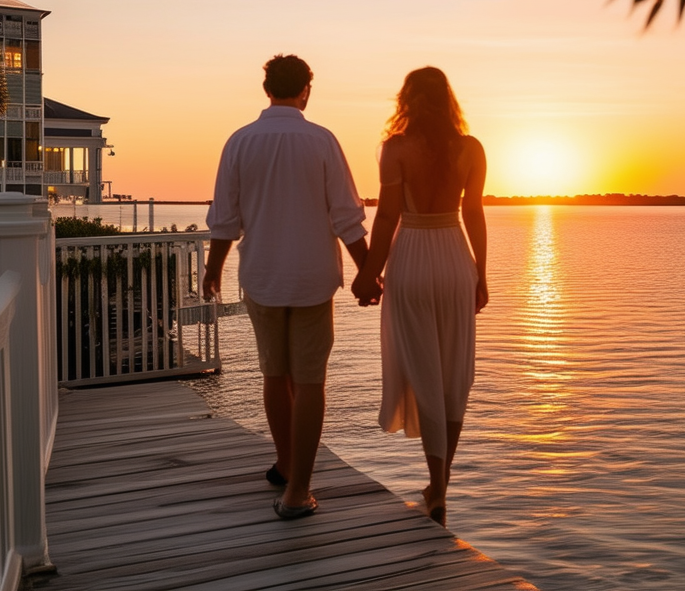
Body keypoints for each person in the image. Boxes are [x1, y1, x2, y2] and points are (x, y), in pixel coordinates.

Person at [203, 54, 371, 520]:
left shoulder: (240, 142)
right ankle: (298, 488)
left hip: (263, 275)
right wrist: (367, 270)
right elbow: (347, 216)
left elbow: (225, 219)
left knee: (275, 375)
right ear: (306, 91)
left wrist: (212, 269)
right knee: (311, 380)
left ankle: (285, 461)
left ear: (266, 89)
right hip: (313, 277)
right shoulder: (322, 141)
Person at [351, 66, 488, 526]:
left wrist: (368, 275)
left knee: (425, 373)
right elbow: (474, 214)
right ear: (449, 99)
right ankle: (441, 485)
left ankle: (435, 483)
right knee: (454, 377)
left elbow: (386, 219)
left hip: (410, 260)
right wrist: (481, 276)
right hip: (454, 260)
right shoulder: (471, 149)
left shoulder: (395, 149)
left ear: (406, 100)